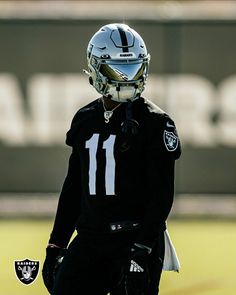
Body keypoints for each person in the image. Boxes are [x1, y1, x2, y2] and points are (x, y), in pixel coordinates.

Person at [42, 23, 181, 295]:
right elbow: (74, 187)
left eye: (134, 69)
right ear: (95, 68)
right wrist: (56, 244)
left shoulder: (156, 122)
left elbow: (162, 194)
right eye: (117, 70)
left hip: (135, 238)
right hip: (90, 240)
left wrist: (143, 248)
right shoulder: (85, 119)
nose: (126, 79)